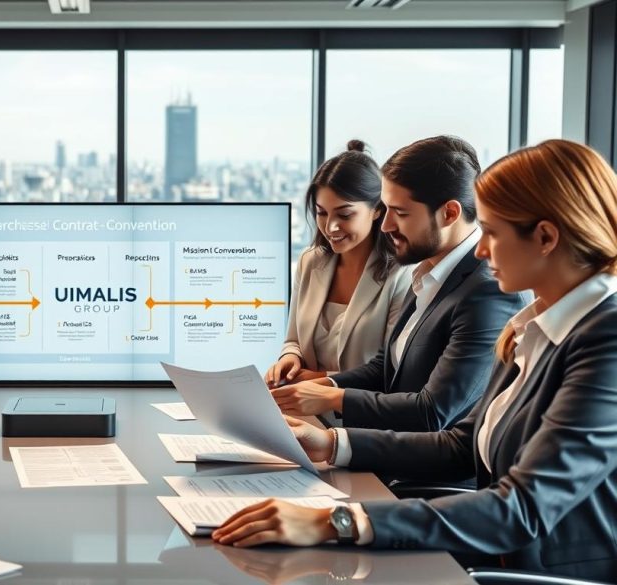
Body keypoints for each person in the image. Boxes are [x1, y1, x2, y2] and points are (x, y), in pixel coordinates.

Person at [214, 139, 617, 581]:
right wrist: (331, 445)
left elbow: (522, 507)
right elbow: (464, 445)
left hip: (532, 570)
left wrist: (338, 522)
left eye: (493, 232)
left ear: (545, 237)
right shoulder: (534, 325)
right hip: (486, 551)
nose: (481, 249)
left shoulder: (604, 339)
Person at [272, 136, 525, 432]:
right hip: (386, 452)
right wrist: (319, 386)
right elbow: (387, 368)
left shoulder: (487, 292)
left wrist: (332, 399)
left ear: (450, 213)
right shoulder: (428, 273)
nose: (386, 225)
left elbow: (432, 413)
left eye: (400, 213)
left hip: (420, 470)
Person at [266, 140, 408, 386]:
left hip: (359, 415)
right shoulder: (310, 262)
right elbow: (294, 340)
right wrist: (290, 358)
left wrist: (322, 380)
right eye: (321, 213)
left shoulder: (402, 275)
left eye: (344, 214)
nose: (330, 226)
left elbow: (392, 369)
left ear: (377, 210)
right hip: (302, 407)